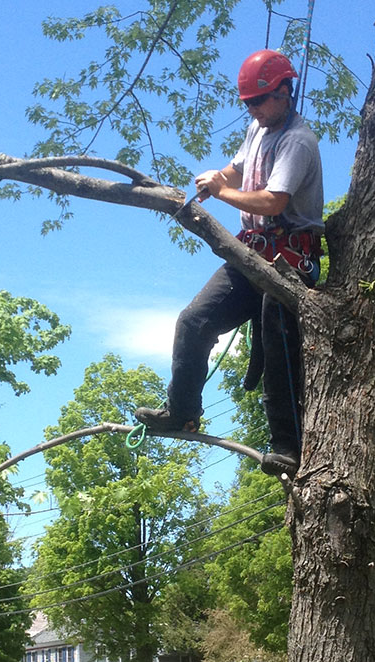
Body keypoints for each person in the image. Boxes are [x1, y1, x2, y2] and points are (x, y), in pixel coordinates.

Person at [135, 49, 324, 477]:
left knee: (277, 338)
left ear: (285, 92)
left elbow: (273, 200)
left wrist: (220, 195)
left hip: (292, 258)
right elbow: (238, 170)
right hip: (252, 251)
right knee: (193, 320)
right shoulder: (259, 129)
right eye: (248, 104)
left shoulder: (297, 140)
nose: (254, 110)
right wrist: (218, 179)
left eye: (260, 101)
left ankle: (288, 445)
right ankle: (181, 411)